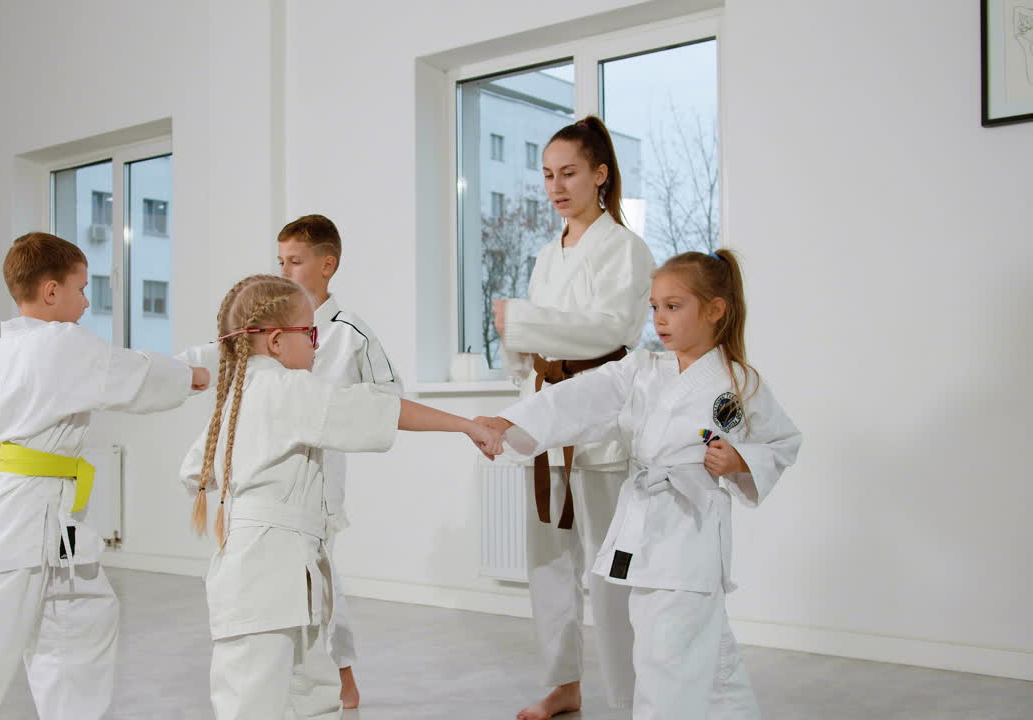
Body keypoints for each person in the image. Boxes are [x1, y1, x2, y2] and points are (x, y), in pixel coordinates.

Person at [0, 232, 209, 720]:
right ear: (51, 291)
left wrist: (12, 450)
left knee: (80, 613)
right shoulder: (65, 342)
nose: (86, 302)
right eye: (82, 289)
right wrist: (195, 374)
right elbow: (134, 375)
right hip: (28, 512)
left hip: (47, 512)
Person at [481, 249, 802, 719]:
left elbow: (782, 442)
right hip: (644, 530)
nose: (660, 319)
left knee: (665, 659)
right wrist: (507, 423)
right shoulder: (642, 370)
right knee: (710, 665)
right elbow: (578, 398)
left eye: (674, 306)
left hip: (690, 541)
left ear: (715, 310)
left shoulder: (738, 383)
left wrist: (739, 460)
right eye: (654, 307)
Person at [181, 274, 501, 720]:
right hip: (266, 577)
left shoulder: (239, 395)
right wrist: (466, 424)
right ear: (276, 341)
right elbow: (382, 408)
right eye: (310, 334)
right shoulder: (288, 389)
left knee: (306, 692)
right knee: (259, 699)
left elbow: (193, 471)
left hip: (278, 575)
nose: (316, 346)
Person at [490, 115, 655, 720]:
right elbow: (536, 337)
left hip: (602, 419)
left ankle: (630, 696)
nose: (556, 186)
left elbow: (613, 330)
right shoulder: (546, 253)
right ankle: (563, 683)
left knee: (608, 565)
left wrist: (524, 321)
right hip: (547, 413)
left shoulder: (626, 249)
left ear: (600, 175)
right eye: (547, 176)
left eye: (569, 173)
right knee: (549, 560)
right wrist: (516, 340)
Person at [276, 213, 402, 709]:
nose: (285, 270)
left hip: (322, 476)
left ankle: (342, 674)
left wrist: (335, 409)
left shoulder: (352, 333)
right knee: (288, 575)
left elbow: (390, 394)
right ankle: (298, 674)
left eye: (297, 261)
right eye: (280, 261)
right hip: (276, 473)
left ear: (327, 265)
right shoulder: (276, 326)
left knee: (320, 573)